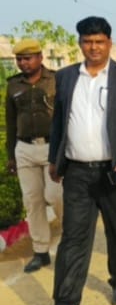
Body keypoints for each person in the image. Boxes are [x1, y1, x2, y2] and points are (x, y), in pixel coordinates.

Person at [36, 16, 116, 305]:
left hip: (114, 172)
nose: (94, 47)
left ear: (110, 43)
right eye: (87, 41)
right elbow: (59, 121)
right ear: (80, 44)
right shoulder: (66, 77)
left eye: (99, 41)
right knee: (73, 237)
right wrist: (55, 159)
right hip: (77, 172)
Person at [5, 38, 62, 273]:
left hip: (52, 147)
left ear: (40, 57)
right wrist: (11, 155)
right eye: (19, 59)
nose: (23, 63)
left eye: (27, 58)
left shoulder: (56, 80)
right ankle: (40, 251)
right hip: (25, 149)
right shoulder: (13, 85)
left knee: (55, 195)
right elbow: (11, 122)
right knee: (33, 201)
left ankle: (72, 236)